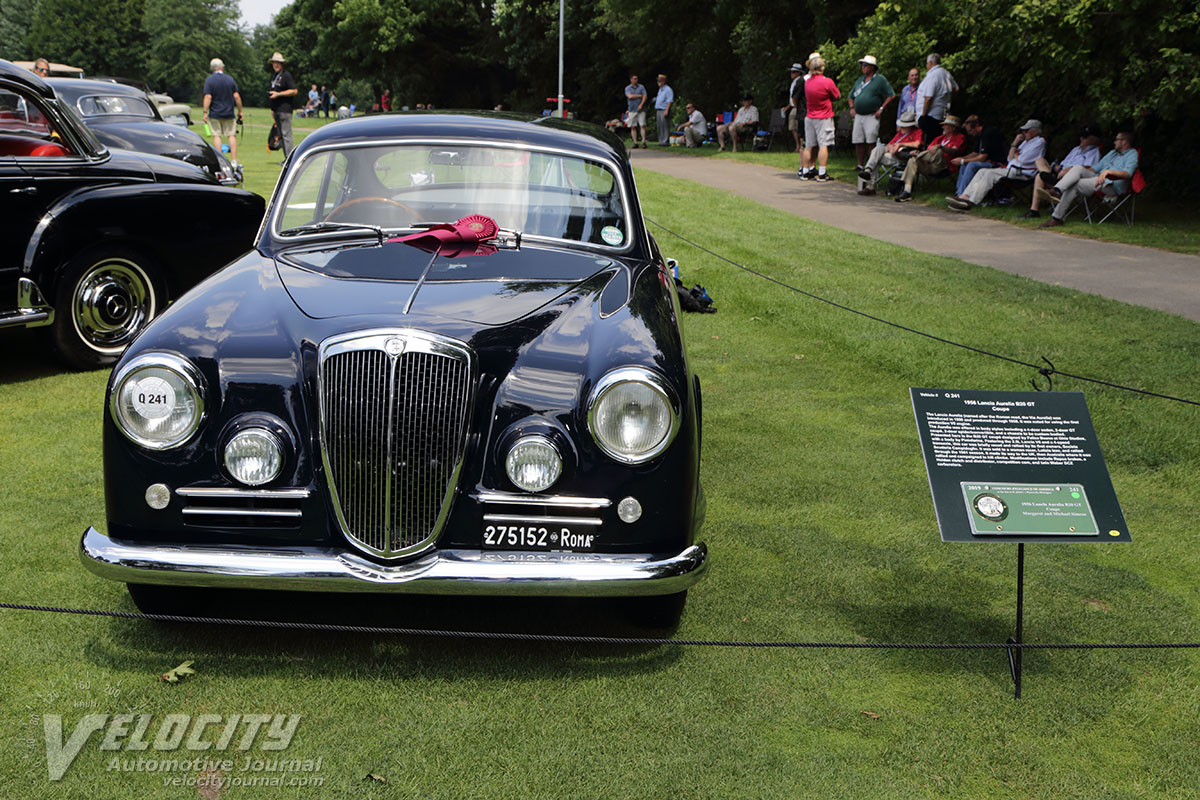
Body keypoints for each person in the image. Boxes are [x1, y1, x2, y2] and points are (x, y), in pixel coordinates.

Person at [1039, 131, 1139, 228]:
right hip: (1098, 179)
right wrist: (1076, 172)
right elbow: (1095, 168)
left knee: (1075, 184)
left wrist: (1109, 172)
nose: (1114, 142)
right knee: (1078, 168)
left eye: (1117, 139)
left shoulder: (1132, 154)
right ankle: (1057, 190)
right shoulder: (1112, 153)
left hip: (1111, 185)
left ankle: (1056, 218)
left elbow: (1128, 174)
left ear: (1124, 142)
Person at [947, 119, 1046, 210]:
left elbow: (1023, 160)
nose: (1024, 133)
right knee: (982, 171)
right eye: (1023, 131)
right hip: (1011, 169)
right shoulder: (1025, 142)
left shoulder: (1039, 142)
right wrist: (1015, 143)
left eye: (1026, 131)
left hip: (1022, 173)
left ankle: (971, 201)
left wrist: (1017, 155)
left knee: (990, 174)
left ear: (1034, 131)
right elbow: (1009, 158)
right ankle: (964, 196)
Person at [1021, 125, 1103, 218]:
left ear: (1094, 139)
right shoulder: (1076, 149)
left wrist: (1068, 170)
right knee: (1039, 161)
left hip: (1069, 180)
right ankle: (1034, 209)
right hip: (1059, 173)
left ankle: (1054, 191)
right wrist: (1058, 167)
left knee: (1039, 177)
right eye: (1081, 136)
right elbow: (1064, 162)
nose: (1081, 139)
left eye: (1085, 137)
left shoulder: (1095, 152)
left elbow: (1089, 169)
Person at [894, 115, 966, 202]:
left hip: (945, 166)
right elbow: (928, 152)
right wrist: (922, 156)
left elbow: (954, 151)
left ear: (953, 128)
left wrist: (941, 147)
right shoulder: (939, 138)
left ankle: (909, 155)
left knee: (939, 151)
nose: (943, 127)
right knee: (912, 160)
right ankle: (907, 192)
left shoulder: (959, 137)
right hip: (931, 165)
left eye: (945, 125)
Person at [856, 110, 923, 195]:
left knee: (875, 157)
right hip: (891, 153)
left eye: (904, 126)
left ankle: (870, 186)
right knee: (877, 150)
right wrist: (891, 148)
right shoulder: (900, 133)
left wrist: (900, 144)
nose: (902, 127)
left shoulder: (917, 132)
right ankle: (868, 171)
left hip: (901, 157)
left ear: (911, 126)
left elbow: (917, 144)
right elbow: (889, 144)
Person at [848, 55, 895, 170]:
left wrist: (881, 108)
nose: (863, 67)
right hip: (859, 115)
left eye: (865, 65)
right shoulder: (860, 80)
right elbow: (851, 96)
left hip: (871, 115)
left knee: (871, 140)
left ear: (872, 67)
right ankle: (860, 165)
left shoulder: (880, 79)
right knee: (858, 140)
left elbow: (891, 95)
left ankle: (870, 165)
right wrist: (852, 108)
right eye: (862, 65)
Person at [798, 56, 839, 182]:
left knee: (809, 145)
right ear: (822, 68)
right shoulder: (827, 82)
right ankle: (822, 173)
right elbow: (836, 95)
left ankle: (805, 171)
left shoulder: (807, 82)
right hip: (823, 117)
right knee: (823, 145)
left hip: (810, 116)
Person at [949, 114, 1008, 196]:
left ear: (977, 126)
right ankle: (958, 192)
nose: (969, 133)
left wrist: (962, 161)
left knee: (971, 165)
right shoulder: (979, 135)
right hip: (988, 161)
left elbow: (982, 157)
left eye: (970, 131)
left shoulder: (988, 133)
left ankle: (962, 194)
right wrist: (961, 158)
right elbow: (975, 153)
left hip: (998, 163)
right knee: (964, 165)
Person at [202, 57, 243, 166]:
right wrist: (240, 111)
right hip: (229, 113)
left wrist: (205, 112)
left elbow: (208, 97)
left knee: (217, 135)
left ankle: (220, 160)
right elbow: (237, 96)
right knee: (231, 135)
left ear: (212, 68)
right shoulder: (230, 79)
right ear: (222, 67)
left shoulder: (209, 80)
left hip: (215, 113)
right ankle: (234, 160)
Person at [914, 53, 957, 145]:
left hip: (931, 116)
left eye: (927, 64)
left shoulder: (933, 76)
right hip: (942, 113)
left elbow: (928, 97)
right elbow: (956, 89)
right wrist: (948, 99)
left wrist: (923, 115)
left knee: (930, 142)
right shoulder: (946, 74)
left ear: (930, 63)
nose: (926, 66)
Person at [267, 52, 298, 158]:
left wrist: (279, 94)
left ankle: (290, 159)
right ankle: (286, 159)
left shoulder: (286, 75)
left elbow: (294, 91)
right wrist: (272, 109)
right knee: (280, 135)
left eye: (278, 63)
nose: (276, 65)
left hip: (285, 109)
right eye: (274, 63)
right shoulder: (274, 76)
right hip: (276, 109)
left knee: (286, 135)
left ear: (282, 64)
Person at [781, 62, 806, 153]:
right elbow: (792, 97)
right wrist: (788, 106)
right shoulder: (794, 82)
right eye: (791, 72)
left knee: (798, 126)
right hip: (793, 106)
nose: (792, 74)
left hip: (798, 107)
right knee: (793, 127)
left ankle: (800, 146)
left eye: (794, 72)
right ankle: (798, 145)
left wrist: (795, 105)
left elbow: (796, 97)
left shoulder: (800, 81)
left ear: (799, 72)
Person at [624, 74, 648, 149]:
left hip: (641, 109)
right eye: (634, 79)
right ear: (631, 80)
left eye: (637, 78)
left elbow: (645, 96)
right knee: (633, 126)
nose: (636, 80)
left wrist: (641, 105)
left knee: (642, 125)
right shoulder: (628, 88)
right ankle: (635, 142)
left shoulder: (641, 87)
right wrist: (639, 96)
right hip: (632, 109)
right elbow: (629, 96)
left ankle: (643, 141)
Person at [654, 74, 674, 146]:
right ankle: (661, 141)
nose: (658, 82)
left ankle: (665, 141)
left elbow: (669, 101)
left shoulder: (668, 89)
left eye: (660, 81)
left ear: (663, 81)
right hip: (659, 110)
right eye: (658, 81)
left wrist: (667, 110)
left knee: (665, 126)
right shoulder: (660, 90)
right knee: (660, 126)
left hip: (664, 109)